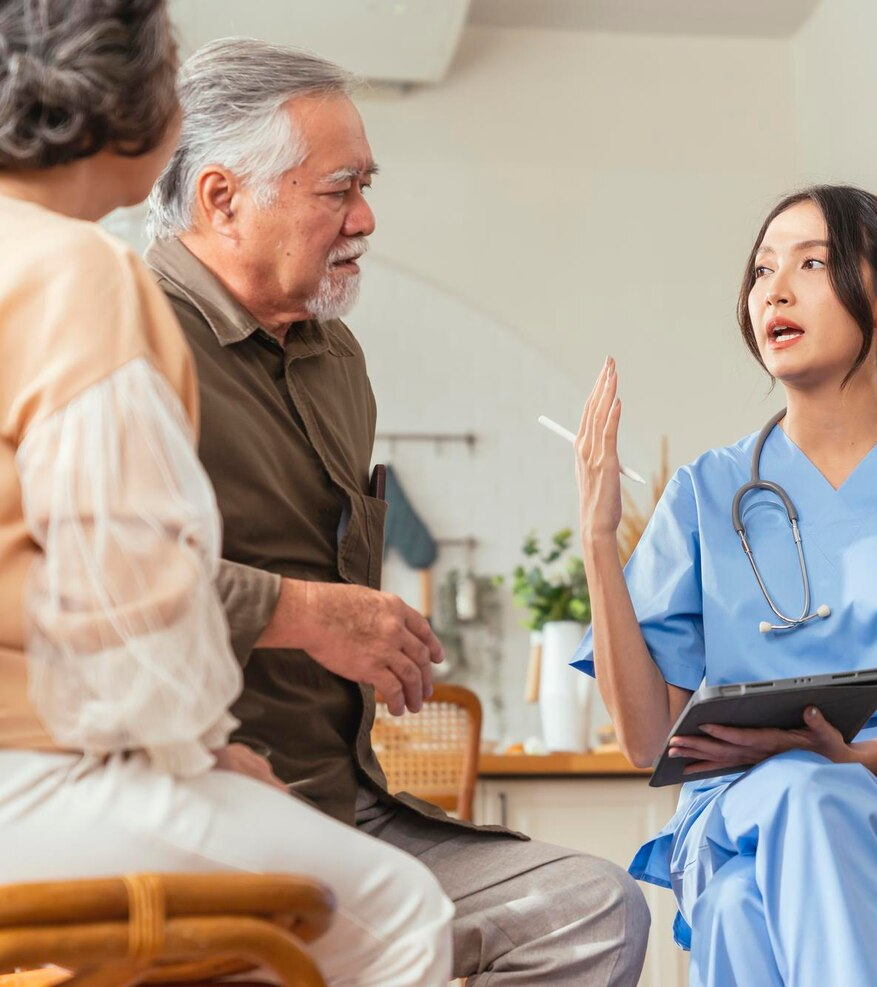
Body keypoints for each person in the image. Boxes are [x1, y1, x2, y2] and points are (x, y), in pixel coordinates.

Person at [142, 37, 649, 987]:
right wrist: (305, 612)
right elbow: (74, 579)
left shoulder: (339, 363)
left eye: (365, 185)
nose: (365, 218)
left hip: (351, 806)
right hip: (190, 809)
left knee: (590, 907)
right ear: (222, 198)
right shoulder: (125, 333)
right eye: (338, 190)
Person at [0, 2, 452, 983]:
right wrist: (199, 754)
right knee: (405, 918)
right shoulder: (86, 275)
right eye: (170, 77)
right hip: (43, 781)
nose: (364, 216)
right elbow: (125, 595)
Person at [570, 184, 877, 986]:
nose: (775, 288)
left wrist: (847, 756)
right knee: (801, 794)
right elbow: (645, 739)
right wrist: (600, 539)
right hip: (742, 811)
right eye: (764, 269)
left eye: (813, 263)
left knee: (744, 901)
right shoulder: (709, 491)